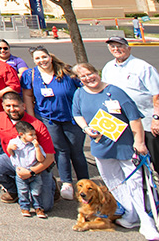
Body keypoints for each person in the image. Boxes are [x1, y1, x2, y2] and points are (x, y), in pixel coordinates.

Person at [72, 62, 159, 240]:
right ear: (79, 80)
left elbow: (135, 118)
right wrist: (85, 128)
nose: (89, 78)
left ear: (97, 72)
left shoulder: (115, 91)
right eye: (84, 77)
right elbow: (77, 114)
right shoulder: (79, 93)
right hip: (101, 147)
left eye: (90, 74)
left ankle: (146, 221)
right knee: (114, 183)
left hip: (126, 146)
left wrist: (139, 142)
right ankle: (131, 214)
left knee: (134, 183)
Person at [21, 46, 87, 200]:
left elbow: (84, 90)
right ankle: (67, 183)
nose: (41, 61)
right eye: (37, 58)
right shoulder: (30, 75)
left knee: (76, 151)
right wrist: (32, 119)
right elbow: (28, 96)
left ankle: (84, 183)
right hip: (48, 118)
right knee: (60, 150)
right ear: (34, 61)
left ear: (50, 57)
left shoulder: (67, 72)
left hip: (71, 118)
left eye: (44, 57)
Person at [0, 92, 56, 213]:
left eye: (16, 106)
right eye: (8, 106)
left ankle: (51, 185)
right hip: (14, 160)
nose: (12, 109)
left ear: (24, 106)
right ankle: (14, 190)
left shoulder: (37, 126)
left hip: (36, 164)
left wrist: (31, 172)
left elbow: (49, 158)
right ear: (3, 106)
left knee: (45, 206)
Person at [101, 35, 159, 175]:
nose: (116, 49)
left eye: (120, 46)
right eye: (112, 46)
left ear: (128, 48)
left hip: (146, 123)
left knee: (156, 160)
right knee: (132, 163)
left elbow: (156, 94)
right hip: (122, 124)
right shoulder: (108, 67)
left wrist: (156, 118)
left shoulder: (142, 67)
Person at [6, 120, 47, 218]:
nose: (34, 137)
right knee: (23, 191)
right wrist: (10, 148)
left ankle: (38, 208)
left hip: (34, 172)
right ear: (22, 135)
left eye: (35, 135)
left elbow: (41, 159)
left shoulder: (35, 145)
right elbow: (11, 154)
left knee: (36, 191)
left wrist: (37, 147)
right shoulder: (14, 143)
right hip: (20, 172)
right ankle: (25, 207)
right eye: (31, 135)